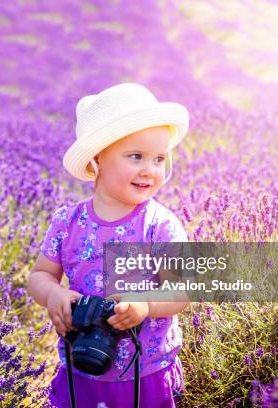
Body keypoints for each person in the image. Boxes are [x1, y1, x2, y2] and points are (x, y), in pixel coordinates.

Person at [27, 83, 191, 408]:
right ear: (97, 159)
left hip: (145, 372)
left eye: (159, 159)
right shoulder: (67, 222)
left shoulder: (159, 225)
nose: (150, 169)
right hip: (82, 366)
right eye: (136, 156)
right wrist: (54, 294)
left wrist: (146, 304)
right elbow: (40, 275)